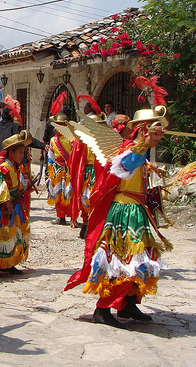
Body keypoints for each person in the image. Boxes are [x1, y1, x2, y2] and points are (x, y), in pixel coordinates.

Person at [66, 106, 170, 328]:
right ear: (143, 130)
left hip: (135, 209)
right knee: (124, 262)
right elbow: (126, 165)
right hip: (124, 211)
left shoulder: (137, 149)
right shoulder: (128, 149)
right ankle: (103, 308)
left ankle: (128, 303)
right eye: (152, 129)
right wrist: (145, 145)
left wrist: (150, 164)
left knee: (141, 261)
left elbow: (138, 165)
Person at [0, 131, 34, 277]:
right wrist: (8, 203)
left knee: (14, 234)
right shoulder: (4, 167)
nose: (23, 155)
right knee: (1, 236)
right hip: (4, 208)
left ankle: (8, 263)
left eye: (24, 152)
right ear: (11, 152)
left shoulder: (15, 167)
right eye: (21, 152)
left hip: (14, 207)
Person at [46, 93, 73, 226]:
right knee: (60, 193)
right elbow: (50, 157)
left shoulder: (69, 139)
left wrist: (50, 167)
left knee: (67, 193)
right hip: (60, 170)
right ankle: (62, 217)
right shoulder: (56, 140)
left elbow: (50, 158)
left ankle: (67, 217)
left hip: (66, 170)